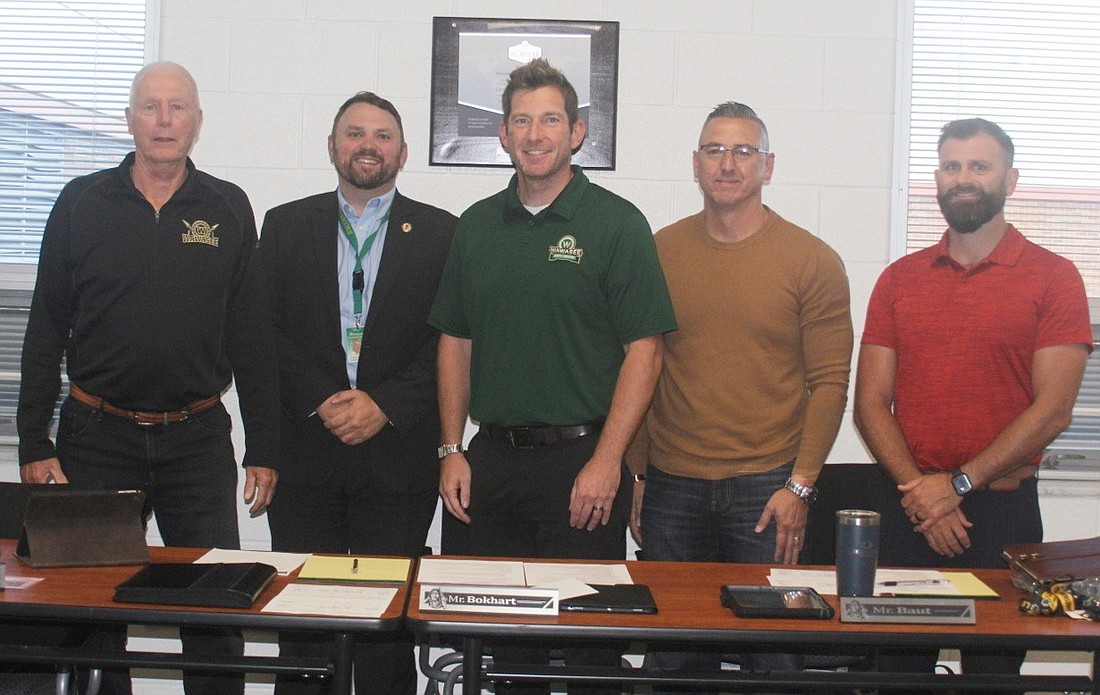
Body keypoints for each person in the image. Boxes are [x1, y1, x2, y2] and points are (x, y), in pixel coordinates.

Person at [17, 61, 279, 695]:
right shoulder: (81, 201)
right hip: (94, 435)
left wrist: (265, 447)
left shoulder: (227, 205)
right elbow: (46, 326)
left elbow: (251, 336)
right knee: (96, 611)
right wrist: (32, 440)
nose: (164, 120)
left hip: (196, 439)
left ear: (196, 122)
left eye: (177, 108)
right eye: (151, 107)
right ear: (130, 118)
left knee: (213, 611)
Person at [430, 58, 677, 694]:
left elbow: (644, 351)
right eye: (521, 121)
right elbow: (455, 343)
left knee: (586, 648)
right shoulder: (477, 227)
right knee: (490, 645)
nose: (535, 133)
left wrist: (608, 461)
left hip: (583, 466)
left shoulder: (618, 224)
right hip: (490, 465)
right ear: (504, 135)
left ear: (577, 131)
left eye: (550, 119)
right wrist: (452, 449)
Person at [854, 118, 1092, 685]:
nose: (963, 179)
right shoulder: (898, 280)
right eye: (951, 166)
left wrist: (956, 485)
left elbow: (1053, 409)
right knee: (895, 678)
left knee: (992, 679)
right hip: (909, 513)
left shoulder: (1054, 279)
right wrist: (923, 493)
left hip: (1001, 518)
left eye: (979, 166)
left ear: (1010, 181)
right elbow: (869, 403)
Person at [626, 101, 853, 690]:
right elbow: (642, 366)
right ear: (695, 164)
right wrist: (639, 475)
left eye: (743, 151)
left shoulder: (813, 260)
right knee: (673, 657)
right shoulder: (659, 251)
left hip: (767, 489)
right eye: (714, 150)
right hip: (672, 486)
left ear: (768, 165)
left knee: (773, 657)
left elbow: (830, 382)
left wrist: (800, 485)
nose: (728, 163)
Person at [260, 91, 456, 695]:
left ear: (401, 152)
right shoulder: (286, 224)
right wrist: (322, 398)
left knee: (385, 633)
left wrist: (385, 403)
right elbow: (264, 331)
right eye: (354, 133)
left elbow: (449, 346)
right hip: (306, 452)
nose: (367, 145)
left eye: (382, 135)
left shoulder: (442, 233)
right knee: (304, 626)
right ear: (332, 146)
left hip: (396, 458)